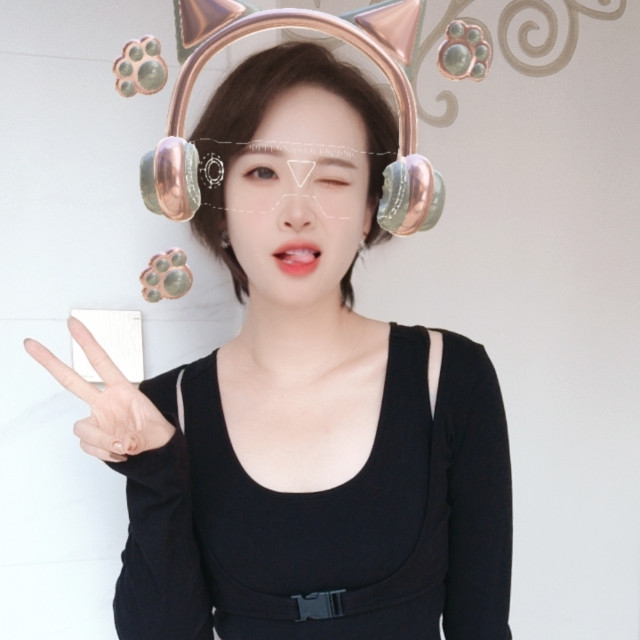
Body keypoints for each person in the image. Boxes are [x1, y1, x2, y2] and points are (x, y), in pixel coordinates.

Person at [24, 42, 512, 640]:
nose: (297, 211)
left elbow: (483, 626)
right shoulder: (168, 410)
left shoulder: (449, 377)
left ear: (371, 208)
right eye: (262, 172)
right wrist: (155, 471)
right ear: (219, 204)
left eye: (333, 178)